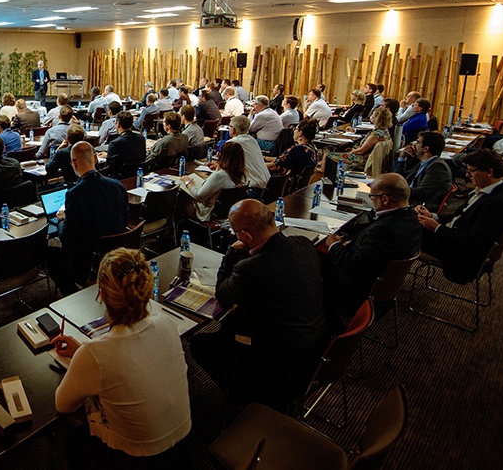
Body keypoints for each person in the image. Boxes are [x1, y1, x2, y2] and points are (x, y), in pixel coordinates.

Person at [53, 248, 192, 467]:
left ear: (101, 295)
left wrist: (83, 356)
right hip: (185, 450)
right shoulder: (166, 324)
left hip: (136, 461)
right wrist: (83, 351)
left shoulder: (95, 354)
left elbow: (63, 405)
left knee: (66, 436)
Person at [188, 199, 328, 410]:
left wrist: (231, 253)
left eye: (236, 233)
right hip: (315, 345)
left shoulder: (251, 268)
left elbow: (223, 294)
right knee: (231, 322)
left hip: (279, 359)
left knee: (199, 344)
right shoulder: (304, 244)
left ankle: (247, 396)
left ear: (245, 236)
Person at [321, 173, 422, 333]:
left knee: (308, 266)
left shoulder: (383, 231)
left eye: (372, 196)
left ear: (385, 199)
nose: (371, 200)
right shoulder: (411, 218)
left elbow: (355, 266)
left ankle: (326, 325)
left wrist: (334, 246)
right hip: (381, 289)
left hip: (354, 295)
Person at [415, 149, 503, 283]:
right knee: (409, 221)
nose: (467, 175)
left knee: (403, 231)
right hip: (454, 238)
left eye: (471, 171)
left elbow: (473, 241)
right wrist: (433, 216)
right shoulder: (488, 192)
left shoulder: (498, 204)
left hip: (461, 255)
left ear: (489, 172)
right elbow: (459, 217)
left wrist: (436, 228)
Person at [56, 141, 128, 293]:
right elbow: (125, 221)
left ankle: (73, 295)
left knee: (52, 257)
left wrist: (61, 220)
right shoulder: (117, 185)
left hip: (88, 260)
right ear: (95, 158)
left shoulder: (75, 194)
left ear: (74, 163)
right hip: (118, 253)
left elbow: (68, 237)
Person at [179, 142, 245, 221]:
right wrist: (219, 167)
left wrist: (188, 182)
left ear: (221, 155)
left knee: (180, 201)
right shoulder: (241, 175)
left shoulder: (219, 176)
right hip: (227, 213)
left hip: (207, 214)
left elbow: (199, 196)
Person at [394, 131, 452, 211]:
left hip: (419, 207)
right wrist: (402, 157)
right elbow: (400, 178)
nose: (413, 145)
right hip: (409, 201)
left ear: (425, 149)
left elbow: (422, 193)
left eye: (417, 142)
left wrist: (396, 190)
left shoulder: (438, 167)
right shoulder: (425, 163)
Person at [326, 106, 392, 172]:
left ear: (377, 118)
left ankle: (323, 173)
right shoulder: (385, 132)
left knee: (327, 155)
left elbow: (360, 151)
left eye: (373, 114)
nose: (371, 116)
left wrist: (351, 151)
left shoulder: (375, 135)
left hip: (361, 160)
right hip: (365, 156)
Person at [223, 115, 270, 194]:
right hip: (266, 186)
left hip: (252, 189)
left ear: (233, 130)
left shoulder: (232, 144)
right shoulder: (252, 140)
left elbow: (225, 167)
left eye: (229, 127)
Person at [102, 111, 146, 178]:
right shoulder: (141, 138)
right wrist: (108, 155)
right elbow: (130, 155)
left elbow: (108, 168)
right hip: (137, 174)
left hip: (119, 177)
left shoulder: (114, 144)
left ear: (118, 124)